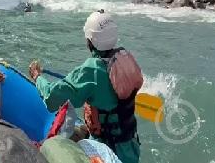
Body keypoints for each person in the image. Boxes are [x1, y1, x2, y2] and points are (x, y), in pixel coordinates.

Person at [29, 11, 140, 163]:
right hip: (130, 146)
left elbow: (51, 98)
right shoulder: (124, 57)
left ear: (90, 41)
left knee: (52, 145)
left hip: (107, 149)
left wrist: (37, 77)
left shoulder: (91, 70)